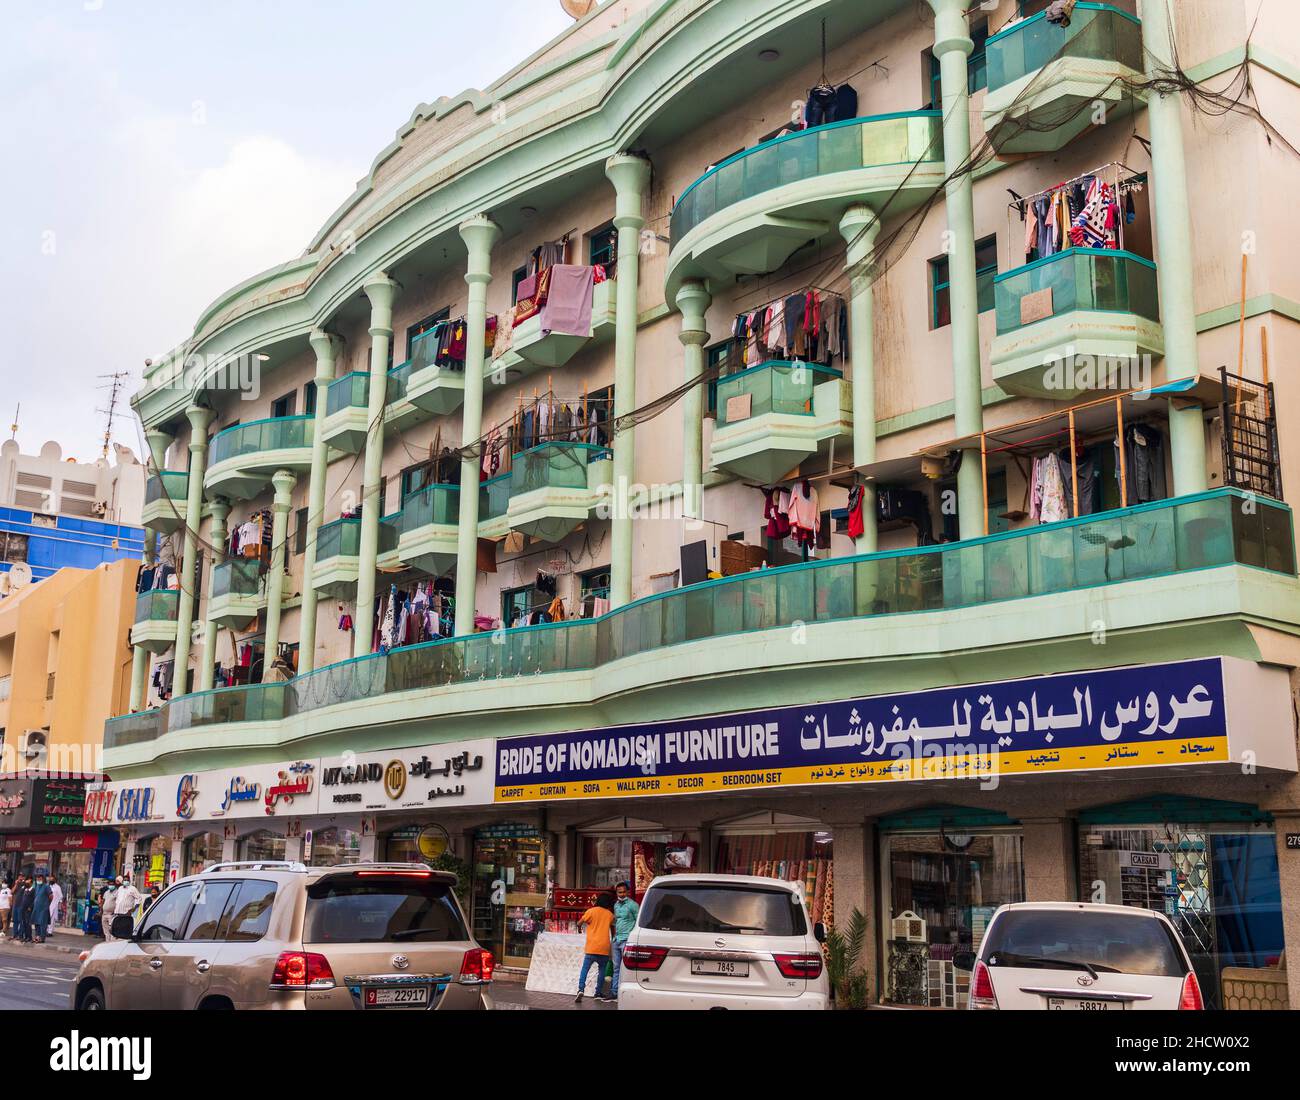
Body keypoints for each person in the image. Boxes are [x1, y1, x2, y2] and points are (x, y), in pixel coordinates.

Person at [575, 893, 615, 1004]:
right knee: (602, 970)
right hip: (604, 947)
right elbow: (613, 928)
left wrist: (579, 928)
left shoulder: (591, 911)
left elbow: (579, 922)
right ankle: (598, 993)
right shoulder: (610, 914)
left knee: (585, 969)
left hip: (592, 946)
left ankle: (581, 989)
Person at [610, 881, 639, 1001]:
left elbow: (638, 921)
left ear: (627, 892)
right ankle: (614, 992)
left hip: (627, 940)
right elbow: (616, 921)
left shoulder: (633, 905)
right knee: (616, 967)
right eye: (619, 892)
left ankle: (626, 994)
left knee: (627, 967)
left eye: (623, 892)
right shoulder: (616, 905)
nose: (621, 894)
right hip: (616, 940)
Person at [30, 875, 52, 943]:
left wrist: (47, 904)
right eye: (37, 878)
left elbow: (51, 896)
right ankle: (37, 937)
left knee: (42, 923)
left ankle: (42, 938)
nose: (38, 880)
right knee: (36, 923)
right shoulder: (36, 886)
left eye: (40, 878)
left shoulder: (46, 886)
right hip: (36, 908)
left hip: (43, 908)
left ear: (43, 879)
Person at [14, 877, 34, 944]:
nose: (26, 883)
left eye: (28, 882)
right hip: (22, 908)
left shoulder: (33, 890)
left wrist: (30, 907)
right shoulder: (25, 890)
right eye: (26, 882)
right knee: (24, 923)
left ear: (31, 883)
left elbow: (34, 900)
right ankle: (25, 937)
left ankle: (29, 937)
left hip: (28, 909)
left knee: (28, 923)